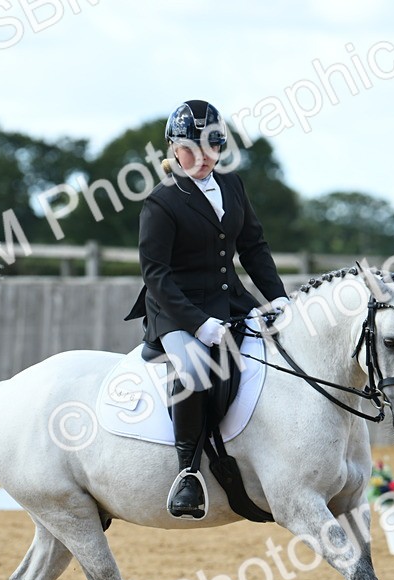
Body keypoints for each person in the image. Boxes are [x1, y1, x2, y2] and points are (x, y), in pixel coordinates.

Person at [124, 99, 290, 519]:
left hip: (229, 300)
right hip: (175, 309)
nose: (202, 158)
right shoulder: (161, 202)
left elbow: (253, 246)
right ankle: (188, 474)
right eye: (190, 150)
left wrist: (278, 297)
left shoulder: (232, 185)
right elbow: (156, 275)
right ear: (173, 149)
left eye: (211, 147)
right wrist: (198, 325)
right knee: (195, 371)